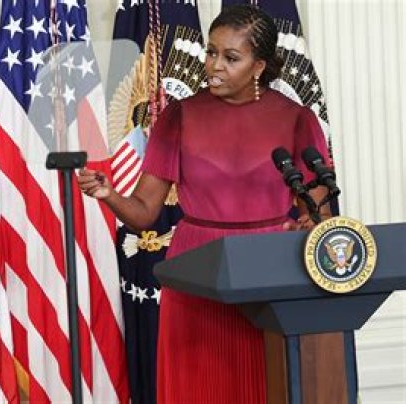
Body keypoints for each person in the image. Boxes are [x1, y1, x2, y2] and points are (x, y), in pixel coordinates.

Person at [79, 5, 331, 403]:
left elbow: (318, 215)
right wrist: (108, 194)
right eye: (211, 52)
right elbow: (145, 212)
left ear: (258, 66)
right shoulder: (179, 116)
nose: (214, 65)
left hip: (267, 271)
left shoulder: (296, 120)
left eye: (231, 57)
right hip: (195, 270)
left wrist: (307, 227)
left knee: (264, 385)